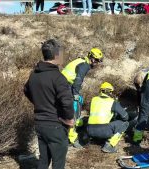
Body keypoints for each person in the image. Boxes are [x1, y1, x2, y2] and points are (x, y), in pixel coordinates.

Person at [24, 39, 74, 169]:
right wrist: (68, 119)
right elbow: (67, 101)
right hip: (55, 125)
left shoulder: (34, 75)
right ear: (57, 55)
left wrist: (39, 103)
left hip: (40, 124)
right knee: (58, 163)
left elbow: (26, 90)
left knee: (43, 160)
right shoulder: (58, 77)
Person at [61, 48, 103, 148]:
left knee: (70, 108)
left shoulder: (81, 61)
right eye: (97, 60)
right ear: (92, 58)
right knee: (73, 111)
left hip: (63, 84)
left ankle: (69, 131)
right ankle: (72, 138)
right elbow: (78, 80)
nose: (97, 63)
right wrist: (75, 94)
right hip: (64, 86)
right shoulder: (84, 65)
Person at [87, 82, 129, 153]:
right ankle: (109, 145)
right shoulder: (113, 102)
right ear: (110, 92)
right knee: (125, 123)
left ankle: (96, 139)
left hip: (89, 130)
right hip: (104, 131)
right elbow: (125, 117)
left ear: (101, 91)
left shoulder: (93, 99)